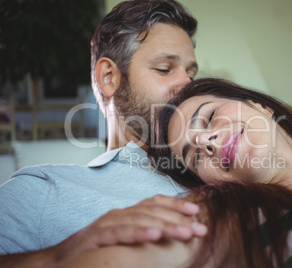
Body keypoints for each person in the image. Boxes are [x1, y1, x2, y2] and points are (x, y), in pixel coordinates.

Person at [57, 78, 292, 267]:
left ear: (258, 105)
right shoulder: (230, 224)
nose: (206, 140)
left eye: (207, 118)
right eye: (194, 156)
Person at [0, 1, 207, 267]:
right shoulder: (43, 189)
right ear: (109, 77)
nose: (188, 84)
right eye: (164, 69)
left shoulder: (215, 166)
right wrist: (53, 257)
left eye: (191, 73)